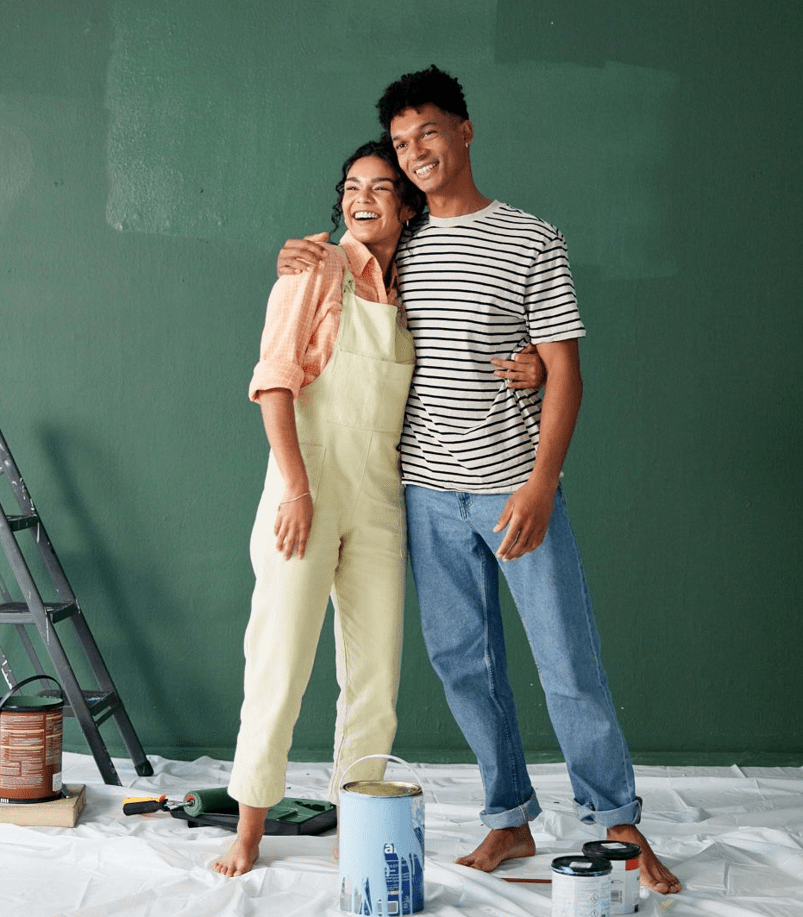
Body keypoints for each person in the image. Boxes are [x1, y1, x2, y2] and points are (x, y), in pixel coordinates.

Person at [275, 66, 681, 895]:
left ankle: (617, 821)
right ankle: (509, 819)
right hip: (422, 491)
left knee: (566, 657)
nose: (414, 153)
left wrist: (540, 482)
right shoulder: (400, 240)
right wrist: (302, 250)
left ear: (464, 132)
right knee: (463, 661)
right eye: (399, 143)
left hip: (512, 487)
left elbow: (564, 372)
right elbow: (337, 269)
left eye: (426, 133)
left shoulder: (533, 238)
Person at [214, 138, 543, 878]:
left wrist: (533, 365)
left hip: (382, 496)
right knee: (280, 659)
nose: (363, 199)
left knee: (374, 676)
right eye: (352, 186)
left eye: (382, 187)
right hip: (306, 485)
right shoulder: (316, 269)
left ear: (408, 204)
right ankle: (247, 831)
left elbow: (468, 349)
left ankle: (352, 827)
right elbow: (273, 384)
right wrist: (296, 487)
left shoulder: (418, 283)